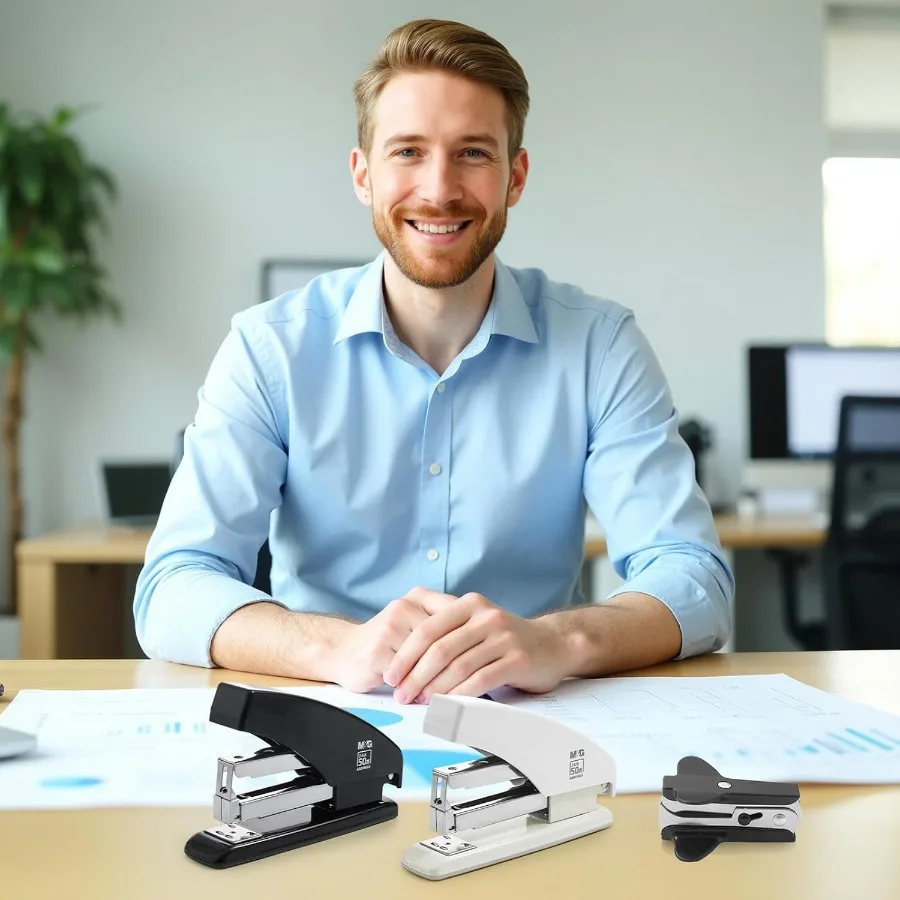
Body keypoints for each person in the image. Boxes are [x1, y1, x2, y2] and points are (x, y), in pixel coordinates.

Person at [134, 18, 734, 704]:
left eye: (473, 153)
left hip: (538, 725)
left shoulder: (600, 344)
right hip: (326, 717)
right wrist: (336, 647)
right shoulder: (270, 347)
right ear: (363, 175)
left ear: (517, 176)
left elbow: (694, 577)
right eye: (408, 152)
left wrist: (556, 641)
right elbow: (174, 584)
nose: (440, 188)